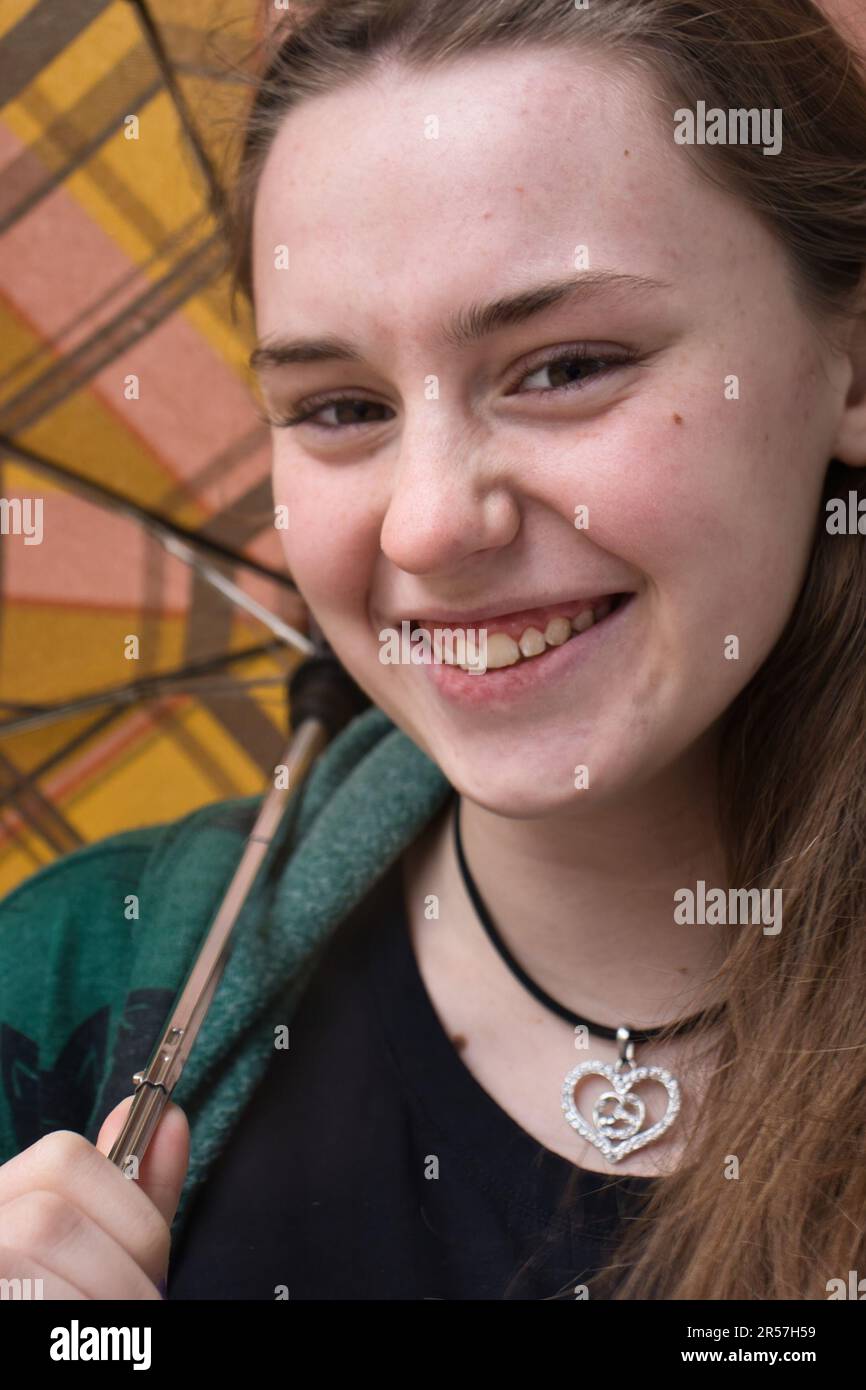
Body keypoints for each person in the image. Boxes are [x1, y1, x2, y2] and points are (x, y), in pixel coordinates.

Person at [1, 0, 865, 1302]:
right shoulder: (76, 985)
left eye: (565, 366)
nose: (427, 522)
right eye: (340, 407)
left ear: (846, 366)